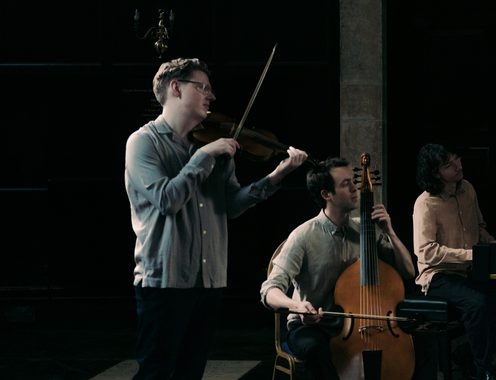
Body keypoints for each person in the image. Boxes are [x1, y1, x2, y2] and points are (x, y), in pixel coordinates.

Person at [125, 57, 308, 379]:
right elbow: (167, 201)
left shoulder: (211, 145)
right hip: (165, 280)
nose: (211, 96)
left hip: (209, 279)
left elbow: (231, 206)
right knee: (157, 372)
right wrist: (202, 158)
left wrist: (277, 175)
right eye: (203, 88)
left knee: (190, 372)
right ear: (176, 88)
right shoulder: (144, 143)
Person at [260, 157, 432, 380]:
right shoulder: (303, 236)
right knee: (315, 347)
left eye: (354, 181)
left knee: (424, 340)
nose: (355, 189)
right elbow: (269, 290)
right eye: (345, 184)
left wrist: (390, 232)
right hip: (316, 325)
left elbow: (408, 272)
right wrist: (297, 306)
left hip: (365, 322)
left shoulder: (365, 230)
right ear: (326, 194)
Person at [412, 143, 496, 380]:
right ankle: (482, 371)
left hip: (470, 269)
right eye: (449, 165)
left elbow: (479, 229)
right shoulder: (425, 203)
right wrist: (470, 255)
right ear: (436, 173)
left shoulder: (467, 189)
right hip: (437, 275)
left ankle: (467, 354)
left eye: (457, 158)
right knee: (477, 304)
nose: (458, 166)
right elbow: (425, 252)